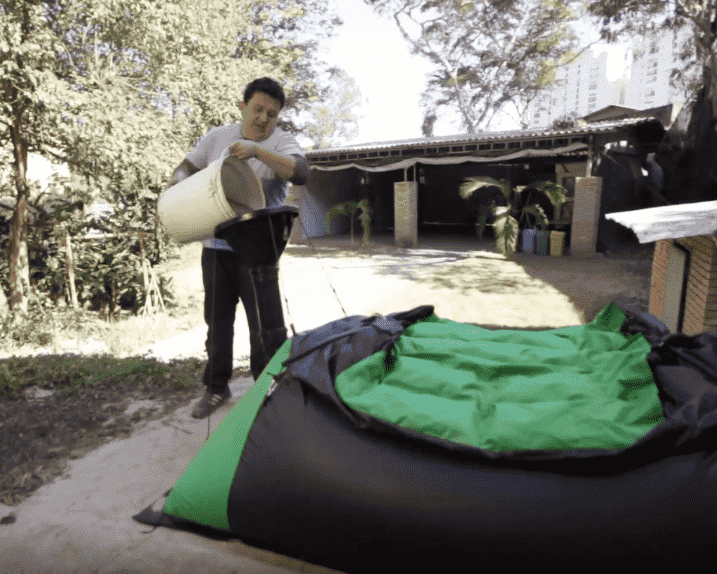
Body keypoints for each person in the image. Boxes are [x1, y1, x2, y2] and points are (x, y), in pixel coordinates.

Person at [165, 77, 309, 419]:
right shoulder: (217, 136)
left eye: (271, 114)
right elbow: (189, 165)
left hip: (258, 251)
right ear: (243, 106)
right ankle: (216, 387)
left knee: (266, 326)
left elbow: (301, 173)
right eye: (257, 109)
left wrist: (257, 150)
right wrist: (175, 183)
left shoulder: (282, 141)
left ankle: (267, 390)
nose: (262, 118)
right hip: (215, 246)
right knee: (217, 321)